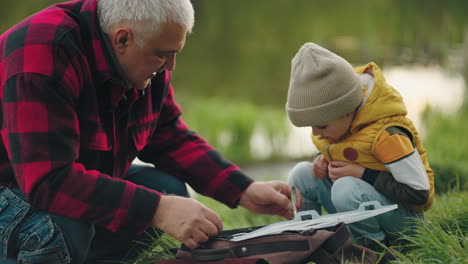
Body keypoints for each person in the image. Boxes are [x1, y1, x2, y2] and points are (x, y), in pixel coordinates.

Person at [0, 0, 298, 263]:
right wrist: (157, 209)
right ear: (123, 39)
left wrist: (242, 190)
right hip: (13, 189)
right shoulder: (43, 50)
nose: (171, 66)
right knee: (65, 226)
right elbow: (49, 180)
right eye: (164, 55)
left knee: (166, 187)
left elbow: (167, 135)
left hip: (53, 183)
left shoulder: (144, 57)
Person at [285, 42, 434, 250]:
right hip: (365, 205)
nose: (316, 133)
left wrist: (364, 174)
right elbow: (351, 151)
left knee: (345, 189)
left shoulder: (387, 135)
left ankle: (372, 252)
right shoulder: (341, 124)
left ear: (346, 110)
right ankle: (311, 246)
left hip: (406, 225)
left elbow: (420, 195)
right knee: (301, 173)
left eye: (321, 126)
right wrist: (324, 164)